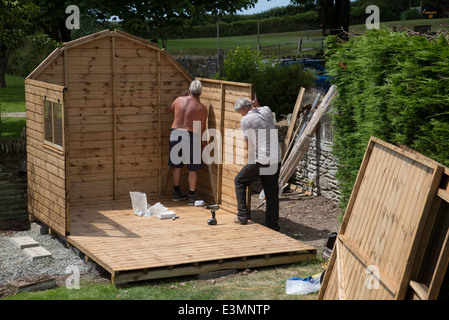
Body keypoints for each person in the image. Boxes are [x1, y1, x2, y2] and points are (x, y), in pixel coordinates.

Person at [233, 96, 281, 231]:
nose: (240, 115)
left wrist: (248, 156)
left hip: (262, 160)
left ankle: (242, 216)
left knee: (239, 181)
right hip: (276, 158)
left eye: (239, 112)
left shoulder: (246, 120)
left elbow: (249, 145)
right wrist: (255, 103)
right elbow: (259, 107)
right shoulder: (266, 110)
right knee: (271, 193)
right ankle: (273, 226)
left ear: (242, 109)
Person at [165, 80, 207, 205]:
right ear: (200, 93)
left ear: (189, 90)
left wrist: (180, 96)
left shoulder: (178, 100)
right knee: (192, 168)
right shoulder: (202, 108)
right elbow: (202, 129)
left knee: (177, 165)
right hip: (190, 135)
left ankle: (176, 193)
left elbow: (167, 109)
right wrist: (204, 146)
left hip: (175, 133)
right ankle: (191, 196)